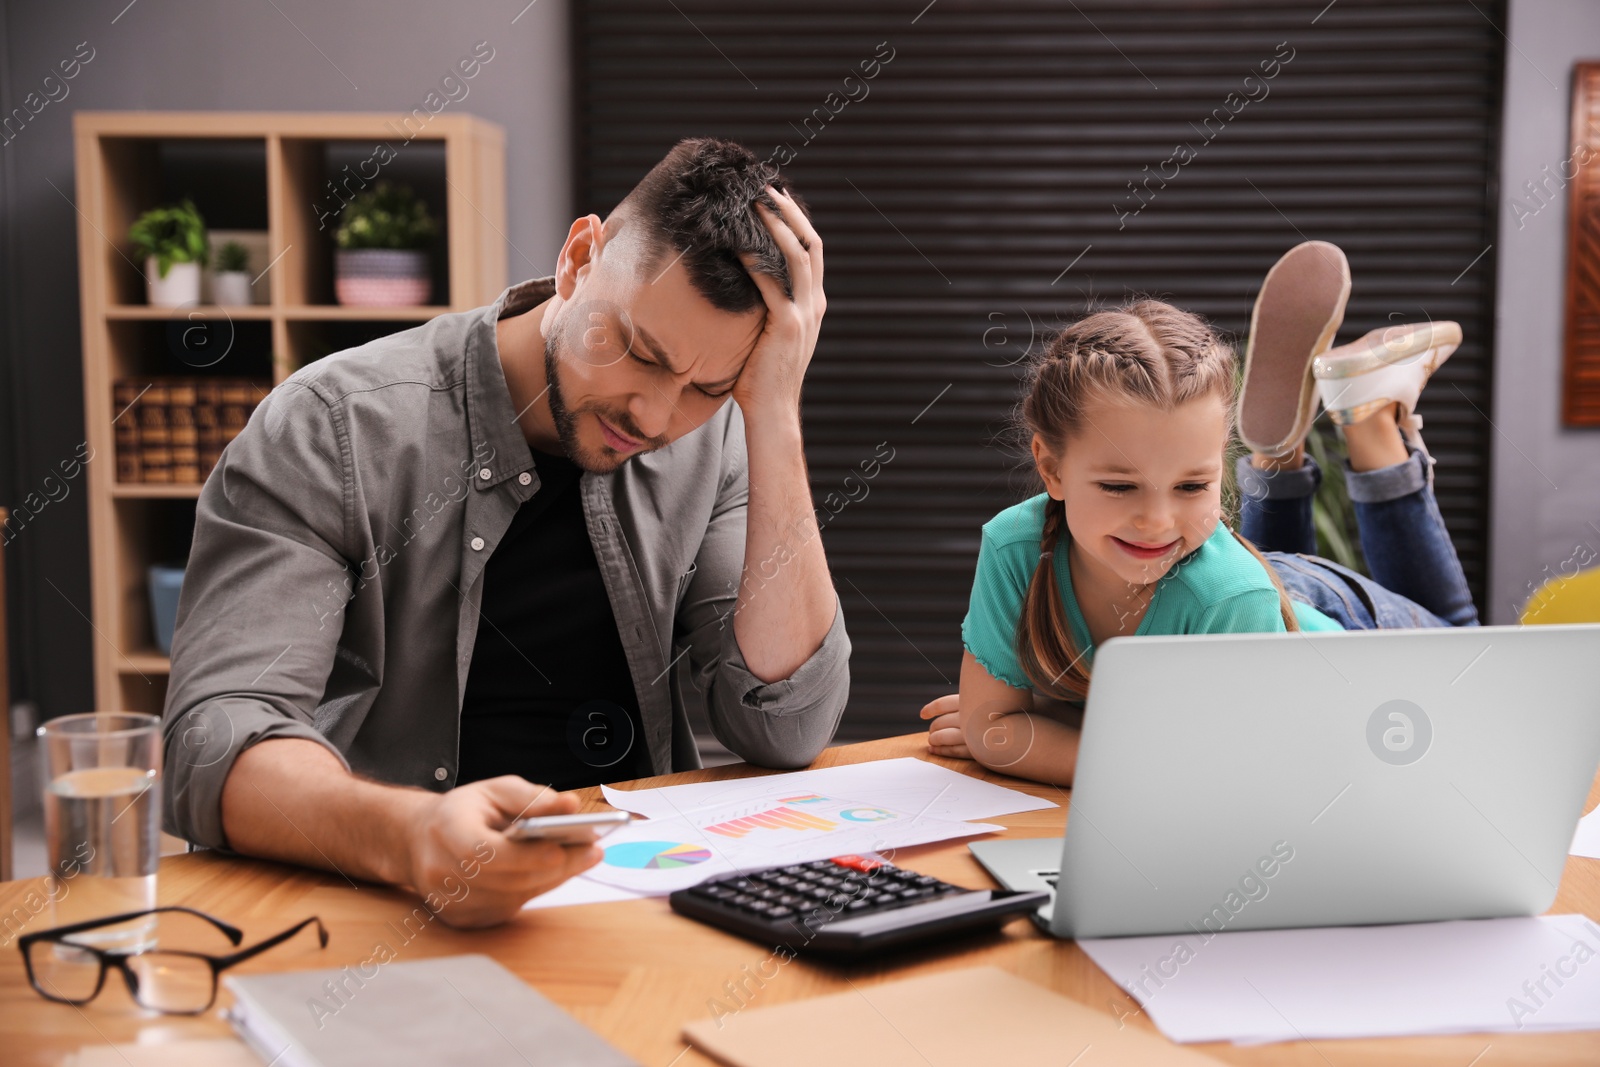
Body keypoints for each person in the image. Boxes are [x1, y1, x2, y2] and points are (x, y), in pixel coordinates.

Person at [161, 139, 850, 927]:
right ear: (579, 257)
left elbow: (786, 726)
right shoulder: (332, 426)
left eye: (706, 387)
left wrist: (773, 414)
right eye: (639, 351)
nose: (655, 418)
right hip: (376, 908)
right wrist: (413, 835)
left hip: (625, 904)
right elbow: (215, 740)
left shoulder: (717, 437)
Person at [921, 241, 1478, 785]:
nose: (1156, 519)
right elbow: (1001, 732)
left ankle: (1369, 420)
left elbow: (1220, 771)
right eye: (1119, 486)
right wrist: (1032, 726)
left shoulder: (1231, 595)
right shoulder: (1015, 547)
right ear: (1051, 469)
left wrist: (1051, 724)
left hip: (1343, 637)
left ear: (1219, 467)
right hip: (1233, 591)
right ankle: (1285, 450)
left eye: (1192, 483)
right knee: (1221, 566)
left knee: (1471, 673)